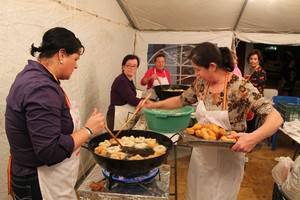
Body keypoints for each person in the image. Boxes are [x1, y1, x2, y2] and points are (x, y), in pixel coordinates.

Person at [143, 42, 283, 200]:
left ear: (212, 66)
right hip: (201, 159)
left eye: (198, 69)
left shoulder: (240, 86)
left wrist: (252, 138)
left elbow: (276, 118)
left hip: (227, 161)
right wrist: (154, 105)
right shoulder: (201, 84)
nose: (196, 74)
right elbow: (180, 100)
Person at [5, 27, 105, 200]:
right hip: (39, 181)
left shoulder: (36, 76)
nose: (76, 65)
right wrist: (88, 130)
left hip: (38, 175)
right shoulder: (41, 88)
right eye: (75, 58)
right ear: (61, 54)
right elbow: (49, 151)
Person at [106, 54, 142, 131]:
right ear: (123, 67)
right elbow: (132, 100)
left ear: (137, 68)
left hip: (123, 117)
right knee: (115, 141)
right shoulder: (121, 80)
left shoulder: (128, 80)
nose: (131, 68)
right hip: (116, 118)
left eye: (134, 66)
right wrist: (148, 103)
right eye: (128, 65)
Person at [244, 49, 267, 132]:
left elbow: (253, 87)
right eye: (251, 59)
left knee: (251, 126)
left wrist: (245, 82)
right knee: (248, 124)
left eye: (255, 59)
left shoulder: (261, 72)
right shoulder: (252, 71)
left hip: (255, 102)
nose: (252, 61)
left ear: (259, 60)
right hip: (250, 101)